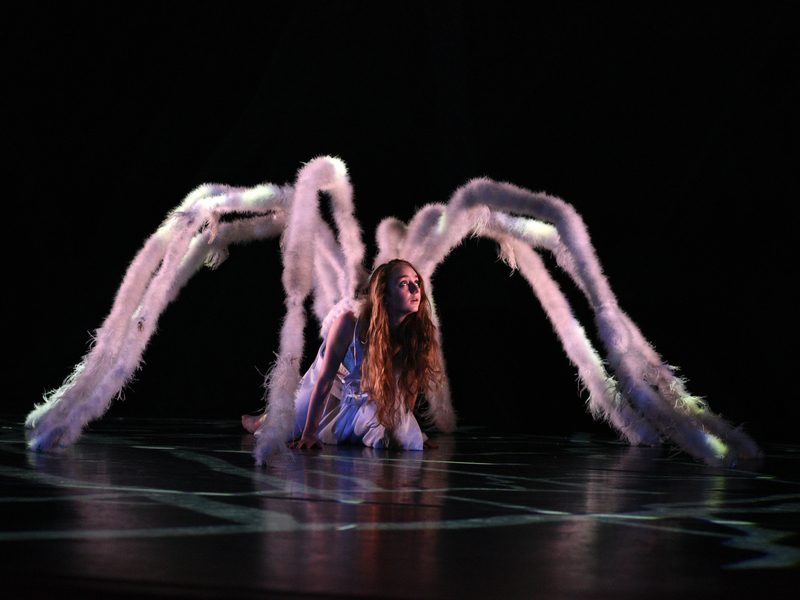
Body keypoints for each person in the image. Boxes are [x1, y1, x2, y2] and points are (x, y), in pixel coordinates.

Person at [241, 259, 443, 450]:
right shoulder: (349, 323)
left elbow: (409, 387)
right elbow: (325, 380)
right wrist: (309, 434)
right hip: (330, 383)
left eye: (416, 282)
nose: (415, 289)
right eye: (403, 284)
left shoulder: (417, 332)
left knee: (399, 436)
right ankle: (261, 420)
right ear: (385, 295)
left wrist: (410, 428)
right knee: (285, 429)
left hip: (363, 391)